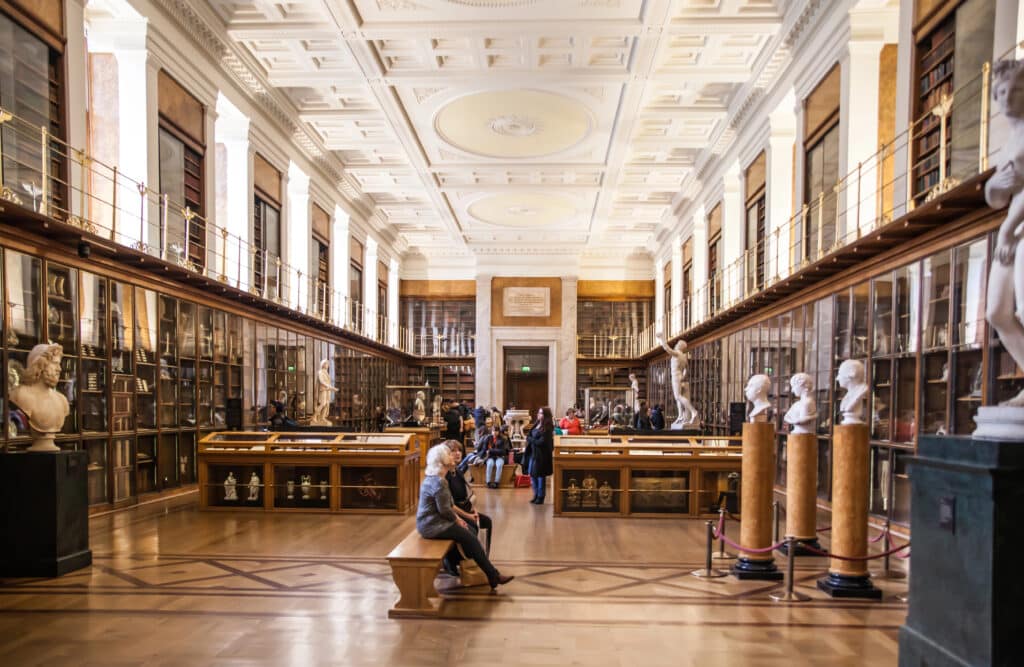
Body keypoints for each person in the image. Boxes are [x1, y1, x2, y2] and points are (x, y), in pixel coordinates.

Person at [417, 443, 512, 590]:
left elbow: (448, 505)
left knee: (470, 534)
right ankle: (492, 575)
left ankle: (490, 573)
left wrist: (462, 517)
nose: (453, 456)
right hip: (433, 525)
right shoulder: (439, 481)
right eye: (449, 454)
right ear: (442, 460)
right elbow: (444, 510)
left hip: (433, 522)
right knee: (469, 537)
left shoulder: (436, 477)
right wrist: (458, 520)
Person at [985, 58, 1024, 406]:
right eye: (1001, 91)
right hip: (1009, 232)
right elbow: (998, 199)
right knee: (996, 311)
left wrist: (1009, 232)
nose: (1007, 97)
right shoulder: (1010, 141)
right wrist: (993, 186)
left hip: (1018, 232)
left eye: (1017, 90)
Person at [443, 440, 496, 554]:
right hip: (454, 513)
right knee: (472, 526)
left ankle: (483, 555)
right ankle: (461, 559)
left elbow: (466, 495)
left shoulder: (458, 471)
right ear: (445, 454)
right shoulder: (445, 475)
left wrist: (473, 510)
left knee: (487, 522)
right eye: (453, 451)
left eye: (459, 450)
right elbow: (449, 505)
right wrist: (468, 515)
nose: (458, 453)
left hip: (464, 508)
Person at [655, 332, 699, 427]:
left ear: (680, 346)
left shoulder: (677, 353)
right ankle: (680, 416)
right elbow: (687, 369)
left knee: (678, 396)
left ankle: (693, 411)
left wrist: (662, 338)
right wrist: (683, 376)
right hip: (679, 376)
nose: (676, 345)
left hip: (675, 376)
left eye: (677, 344)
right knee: (679, 398)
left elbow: (667, 349)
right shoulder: (684, 356)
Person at [524, 406, 554, 504]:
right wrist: (531, 439)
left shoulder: (548, 427)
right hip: (533, 454)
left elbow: (542, 442)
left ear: (545, 415)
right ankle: (536, 494)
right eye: (538, 412)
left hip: (542, 455)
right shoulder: (537, 423)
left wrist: (530, 440)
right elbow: (529, 434)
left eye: (541, 413)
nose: (538, 414)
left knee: (540, 476)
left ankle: (541, 496)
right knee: (532, 475)